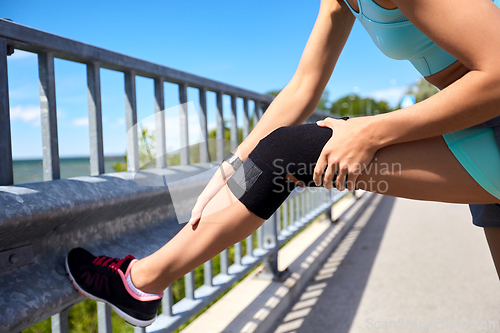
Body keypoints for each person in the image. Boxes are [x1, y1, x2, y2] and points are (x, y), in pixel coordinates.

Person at [66, 0, 500, 327]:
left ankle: (140, 280)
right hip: (473, 124)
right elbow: (302, 88)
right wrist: (234, 164)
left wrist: (371, 131)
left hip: (486, 117)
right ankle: (141, 282)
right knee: (275, 154)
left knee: (290, 154)